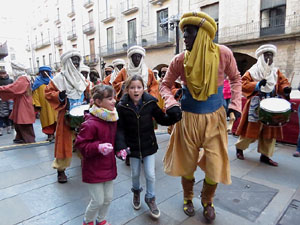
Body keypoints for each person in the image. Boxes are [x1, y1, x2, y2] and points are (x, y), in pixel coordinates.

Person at [160, 12, 241, 222]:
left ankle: (208, 200)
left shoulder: (224, 54)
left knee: (215, 165)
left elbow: (236, 79)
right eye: (184, 33)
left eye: (189, 33)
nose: (184, 38)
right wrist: (171, 104)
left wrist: (235, 104)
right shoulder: (179, 60)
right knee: (187, 164)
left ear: (204, 34)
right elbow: (165, 85)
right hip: (187, 119)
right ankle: (188, 197)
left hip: (215, 119)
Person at [115, 75, 176, 219]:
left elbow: (162, 119)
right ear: (127, 89)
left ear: (144, 89)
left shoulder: (150, 103)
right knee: (135, 173)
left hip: (148, 144)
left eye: (139, 87)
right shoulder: (122, 106)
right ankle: (136, 191)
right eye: (132, 87)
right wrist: (121, 146)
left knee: (150, 174)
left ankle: (150, 198)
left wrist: (174, 116)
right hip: (133, 147)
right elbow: (119, 129)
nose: (136, 90)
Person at [235, 44, 291, 166]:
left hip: (272, 105)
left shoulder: (276, 72)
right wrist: (256, 84)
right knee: (249, 132)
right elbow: (243, 84)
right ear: (261, 57)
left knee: (269, 133)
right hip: (255, 105)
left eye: (271, 55)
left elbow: (283, 82)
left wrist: (285, 89)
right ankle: (239, 148)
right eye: (267, 55)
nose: (269, 58)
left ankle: (265, 156)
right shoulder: (252, 72)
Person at [74, 85, 118, 225]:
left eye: (114, 98)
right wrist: (98, 147)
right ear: (98, 102)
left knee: (108, 198)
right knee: (97, 200)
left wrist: (120, 149)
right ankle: (87, 221)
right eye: (110, 99)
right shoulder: (90, 123)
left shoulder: (112, 118)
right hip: (94, 168)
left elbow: (116, 139)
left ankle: (101, 220)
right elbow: (80, 145)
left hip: (108, 166)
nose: (114, 101)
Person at [45, 49, 89, 183]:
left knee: (85, 140)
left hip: (82, 114)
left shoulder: (81, 77)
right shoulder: (59, 78)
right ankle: (61, 170)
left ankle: (86, 163)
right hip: (66, 115)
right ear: (67, 62)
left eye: (77, 59)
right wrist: (60, 96)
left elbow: (87, 92)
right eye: (73, 60)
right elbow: (48, 93)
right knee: (63, 143)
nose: (76, 62)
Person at [0, 62, 36, 143]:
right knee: (19, 121)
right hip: (21, 101)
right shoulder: (24, 78)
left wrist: (1, 88)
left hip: (23, 103)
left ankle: (28, 139)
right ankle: (21, 137)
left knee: (23, 121)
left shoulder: (22, 79)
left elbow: (14, 88)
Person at [32, 66, 58, 141]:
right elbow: (35, 94)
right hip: (44, 105)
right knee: (46, 120)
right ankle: (50, 134)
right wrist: (37, 104)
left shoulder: (53, 81)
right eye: (43, 72)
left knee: (56, 119)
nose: (44, 73)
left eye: (46, 71)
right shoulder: (37, 82)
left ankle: (56, 133)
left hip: (54, 104)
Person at [0, 69, 13, 136]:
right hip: (1, 99)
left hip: (9, 99)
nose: (2, 75)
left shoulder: (10, 80)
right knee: (1, 114)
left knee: (9, 113)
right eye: (1, 74)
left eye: (3, 73)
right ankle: (2, 129)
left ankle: (9, 127)